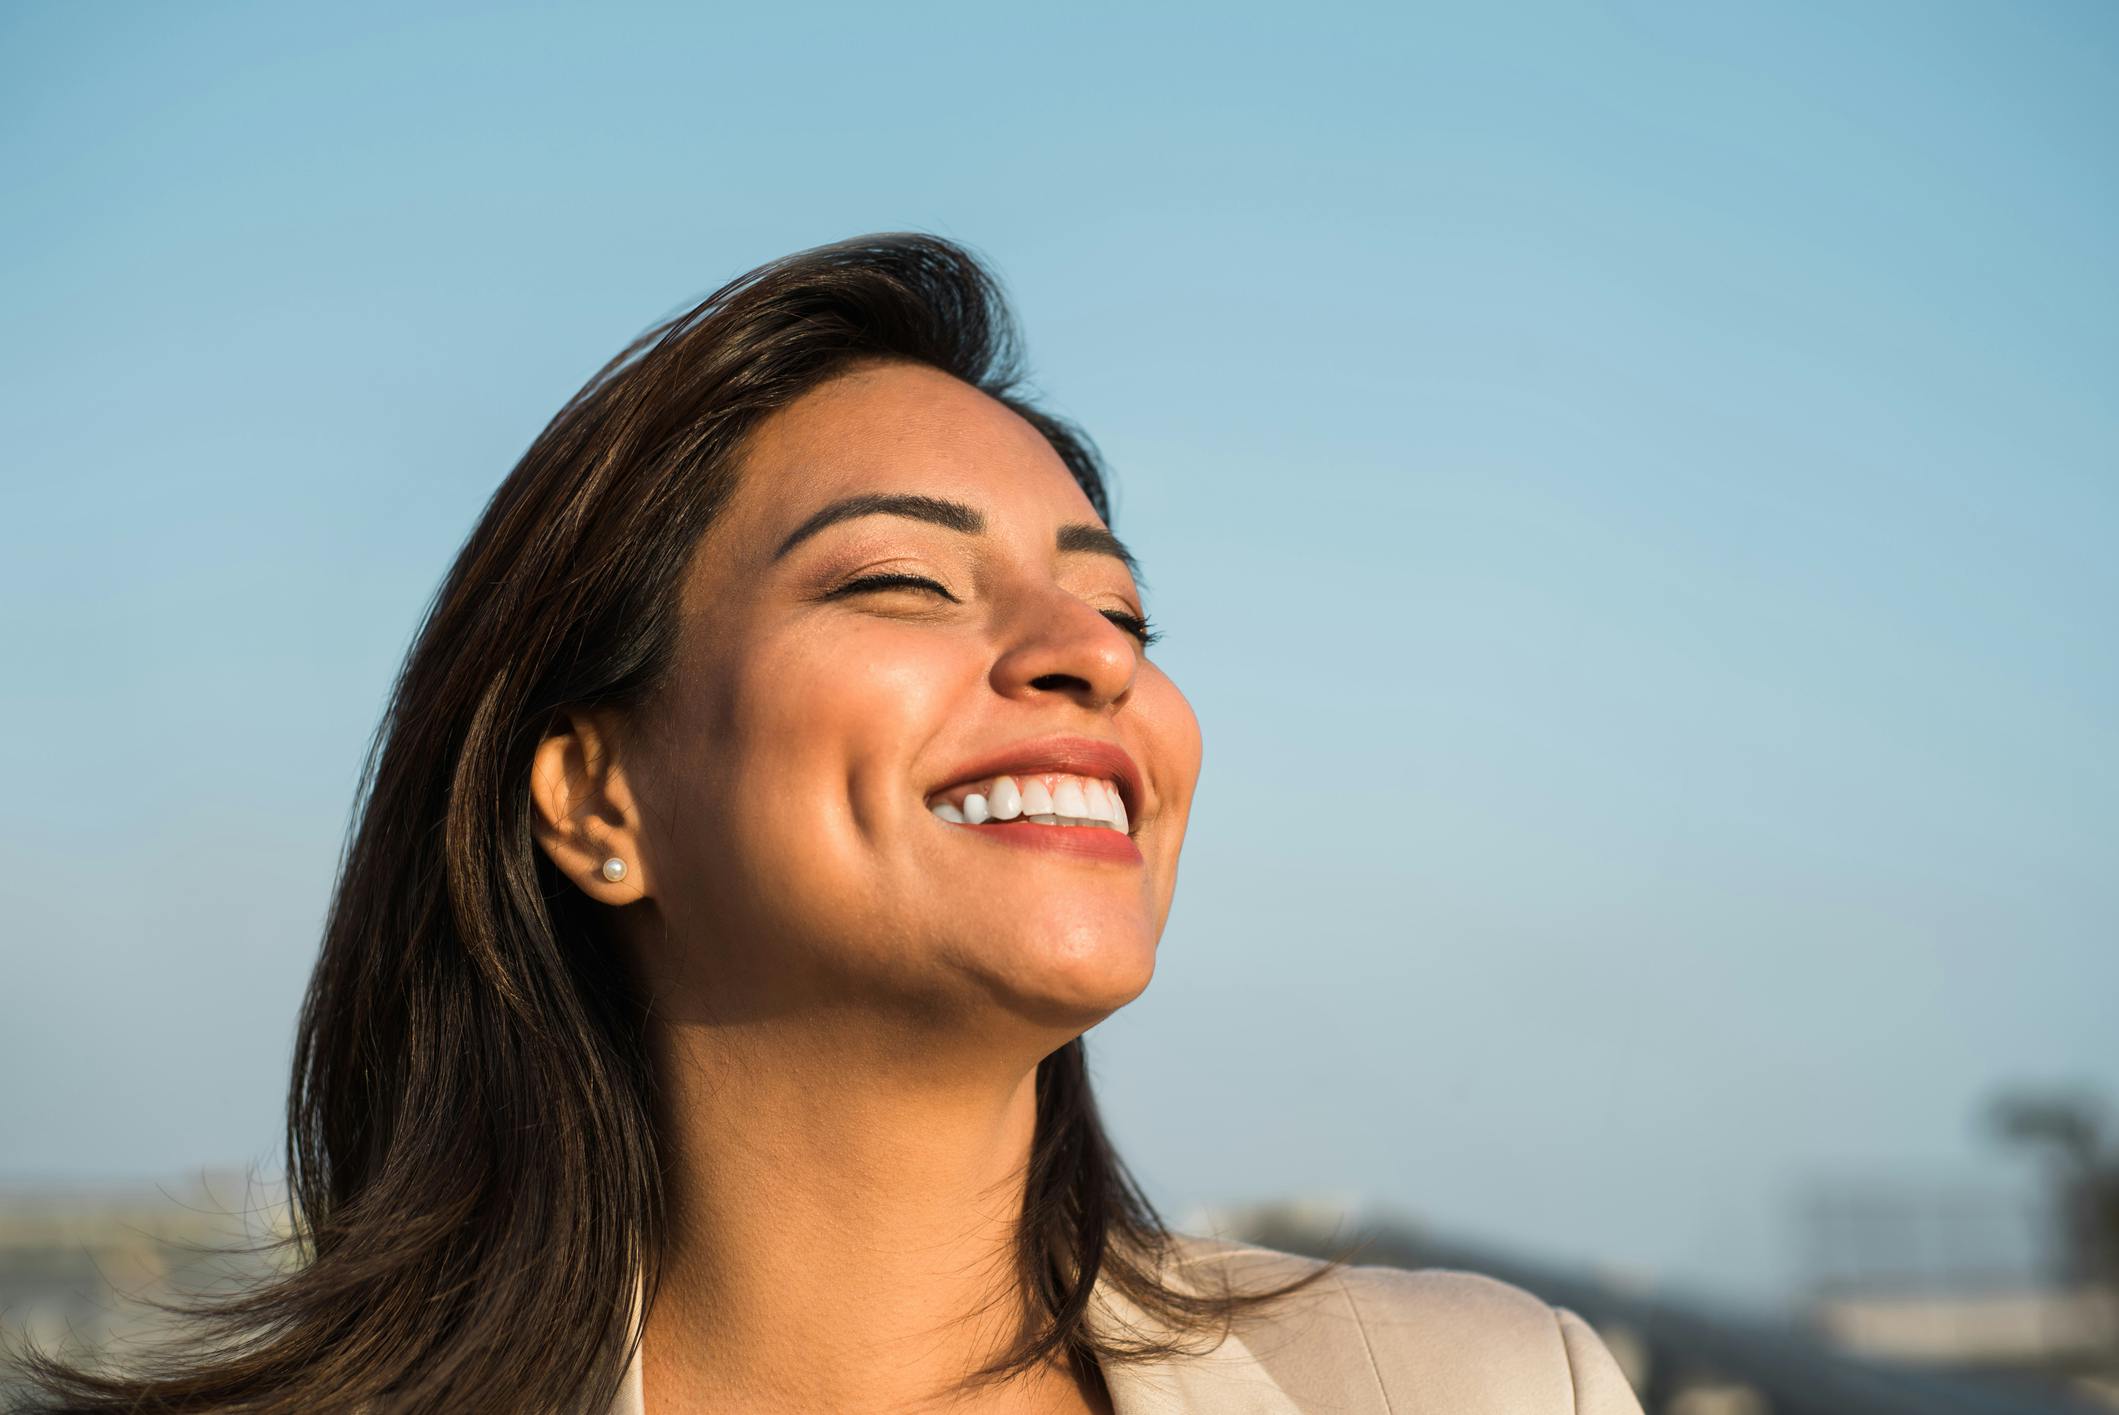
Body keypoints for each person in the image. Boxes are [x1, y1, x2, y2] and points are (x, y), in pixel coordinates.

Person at [11, 234, 1642, 1414]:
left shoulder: (1490, 1391)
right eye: (899, 581)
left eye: (1123, 614)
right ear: (597, 801)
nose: (1088, 657)